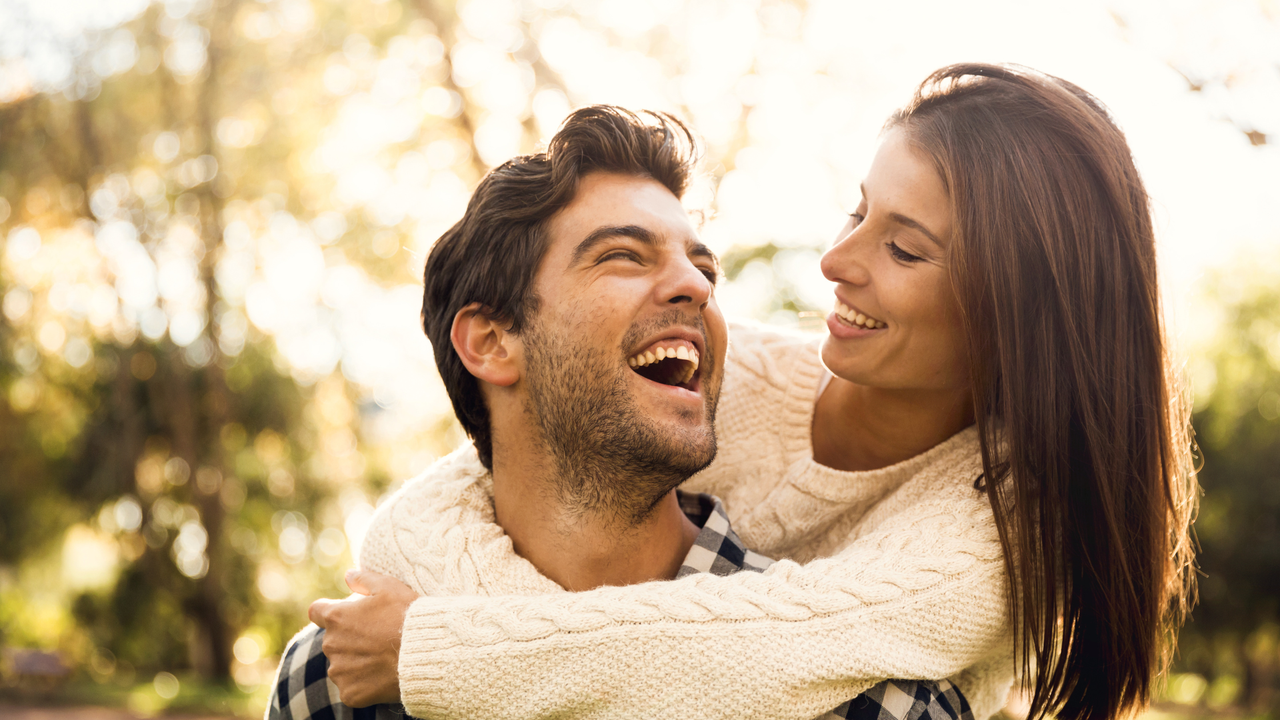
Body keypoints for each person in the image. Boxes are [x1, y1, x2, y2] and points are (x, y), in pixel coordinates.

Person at [313, 64, 1198, 720]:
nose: (834, 263)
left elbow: (769, 647)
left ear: (1015, 318)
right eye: (859, 213)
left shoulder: (998, 533)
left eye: (906, 248)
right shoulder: (719, 377)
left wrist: (437, 651)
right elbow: (459, 490)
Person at [269, 105, 972, 720]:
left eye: (705, 268)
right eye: (625, 256)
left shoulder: (875, 704)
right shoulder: (337, 682)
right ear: (491, 341)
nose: (696, 285)